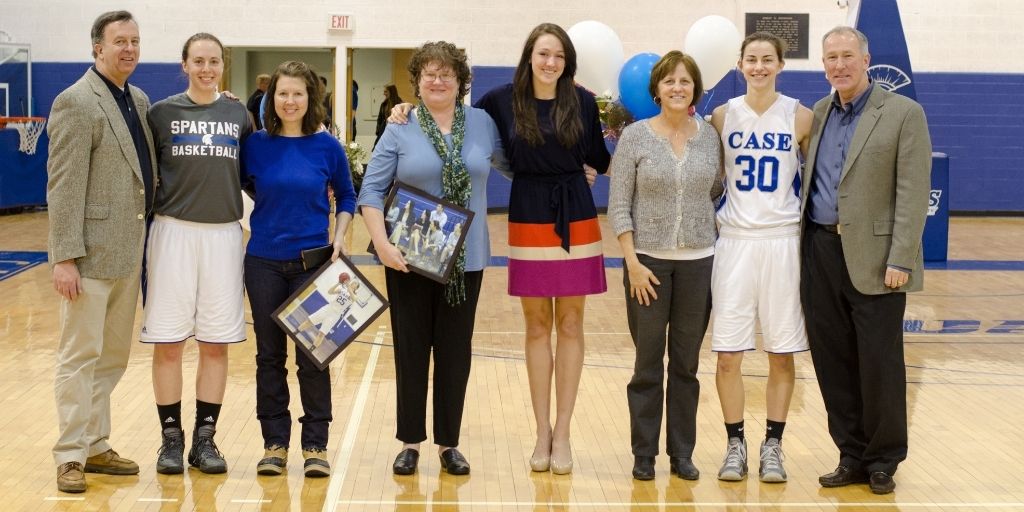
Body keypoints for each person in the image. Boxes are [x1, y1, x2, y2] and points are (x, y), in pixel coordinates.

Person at [387, 24, 607, 475]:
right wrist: (404, 108)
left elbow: (599, 158)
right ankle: (540, 431)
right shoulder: (499, 102)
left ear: (568, 62)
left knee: (570, 322)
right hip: (528, 215)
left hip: (576, 215)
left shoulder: (582, 101)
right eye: (543, 53)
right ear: (529, 56)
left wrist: (586, 169)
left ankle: (561, 434)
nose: (550, 62)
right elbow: (457, 122)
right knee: (535, 325)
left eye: (559, 56)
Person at [359, 40, 504, 477]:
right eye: (429, 74)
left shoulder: (482, 123)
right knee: (411, 351)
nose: (437, 80)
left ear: (460, 81)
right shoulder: (401, 124)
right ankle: (410, 442)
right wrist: (382, 244)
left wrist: (574, 168)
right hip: (409, 259)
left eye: (446, 73)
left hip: (467, 259)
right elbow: (369, 189)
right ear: (417, 82)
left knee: (455, 353)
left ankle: (448, 444)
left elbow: (519, 164)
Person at [801, 26, 931, 495]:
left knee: (879, 363)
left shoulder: (903, 113)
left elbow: (913, 194)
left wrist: (901, 257)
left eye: (847, 56)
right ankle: (850, 454)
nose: (839, 65)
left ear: (866, 58)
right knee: (832, 362)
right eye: (831, 57)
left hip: (878, 258)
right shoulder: (817, 113)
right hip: (820, 250)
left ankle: (883, 458)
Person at [46, 9, 156, 494]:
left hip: (128, 252)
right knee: (78, 356)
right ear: (98, 49)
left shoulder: (139, 98)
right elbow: (63, 187)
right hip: (88, 256)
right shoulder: (75, 101)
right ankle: (70, 454)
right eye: (120, 42)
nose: (129, 49)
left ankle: (95, 443)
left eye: (134, 41)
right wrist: (64, 257)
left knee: (111, 357)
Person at [607, 51, 722, 482]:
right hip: (647, 266)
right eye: (670, 81)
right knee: (648, 364)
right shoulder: (635, 137)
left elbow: (714, 188)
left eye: (686, 82)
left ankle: (682, 452)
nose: (678, 88)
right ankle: (643, 454)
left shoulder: (709, 136)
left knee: (687, 366)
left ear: (695, 90)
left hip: (698, 264)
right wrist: (633, 263)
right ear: (656, 89)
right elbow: (619, 204)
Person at [142, 32, 252, 476]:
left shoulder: (239, 114)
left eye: (214, 62)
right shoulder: (160, 114)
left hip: (224, 236)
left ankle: (205, 440)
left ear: (222, 66)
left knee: (215, 342)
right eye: (198, 61)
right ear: (184, 64)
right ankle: (171, 440)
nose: (207, 69)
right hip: (172, 234)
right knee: (168, 344)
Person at [241, 59, 356, 477]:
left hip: (312, 265)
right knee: (269, 357)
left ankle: (315, 446)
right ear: (272, 99)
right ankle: (274, 443)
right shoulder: (255, 144)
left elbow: (347, 196)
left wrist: (339, 236)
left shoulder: (328, 147)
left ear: (312, 99)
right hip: (263, 264)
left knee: (313, 357)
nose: (290, 101)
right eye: (282, 93)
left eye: (298, 93)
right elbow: (245, 184)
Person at [707, 32, 813, 483]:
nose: (759, 67)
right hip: (734, 242)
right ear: (740, 64)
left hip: (783, 240)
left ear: (780, 65)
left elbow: (818, 181)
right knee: (728, 355)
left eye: (767, 60)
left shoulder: (802, 116)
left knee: (781, 354)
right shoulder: (720, 116)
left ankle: (774, 445)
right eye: (751, 60)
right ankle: (735, 444)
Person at [299, 273, 360, 350]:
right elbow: (330, 292)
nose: (352, 283)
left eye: (355, 283)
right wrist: (338, 283)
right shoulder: (342, 289)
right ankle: (296, 332)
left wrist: (348, 287)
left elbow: (354, 299)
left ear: (356, 287)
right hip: (328, 308)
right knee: (309, 321)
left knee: (322, 333)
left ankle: (311, 349)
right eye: (353, 282)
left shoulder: (354, 296)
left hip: (335, 315)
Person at [374, 84, 402, 149]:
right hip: (383, 132)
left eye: (386, 91)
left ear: (391, 92)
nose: (384, 93)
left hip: (395, 134)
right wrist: (378, 131)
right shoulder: (383, 104)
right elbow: (379, 119)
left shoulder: (400, 104)